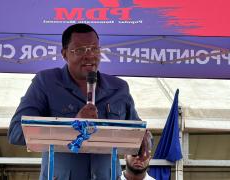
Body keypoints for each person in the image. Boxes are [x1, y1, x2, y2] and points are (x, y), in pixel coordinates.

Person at [8, 23, 140, 180]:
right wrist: (72, 127)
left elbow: (139, 133)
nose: (89, 55)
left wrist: (145, 142)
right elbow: (16, 132)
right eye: (79, 50)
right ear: (64, 54)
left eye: (94, 49)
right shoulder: (46, 83)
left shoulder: (119, 88)